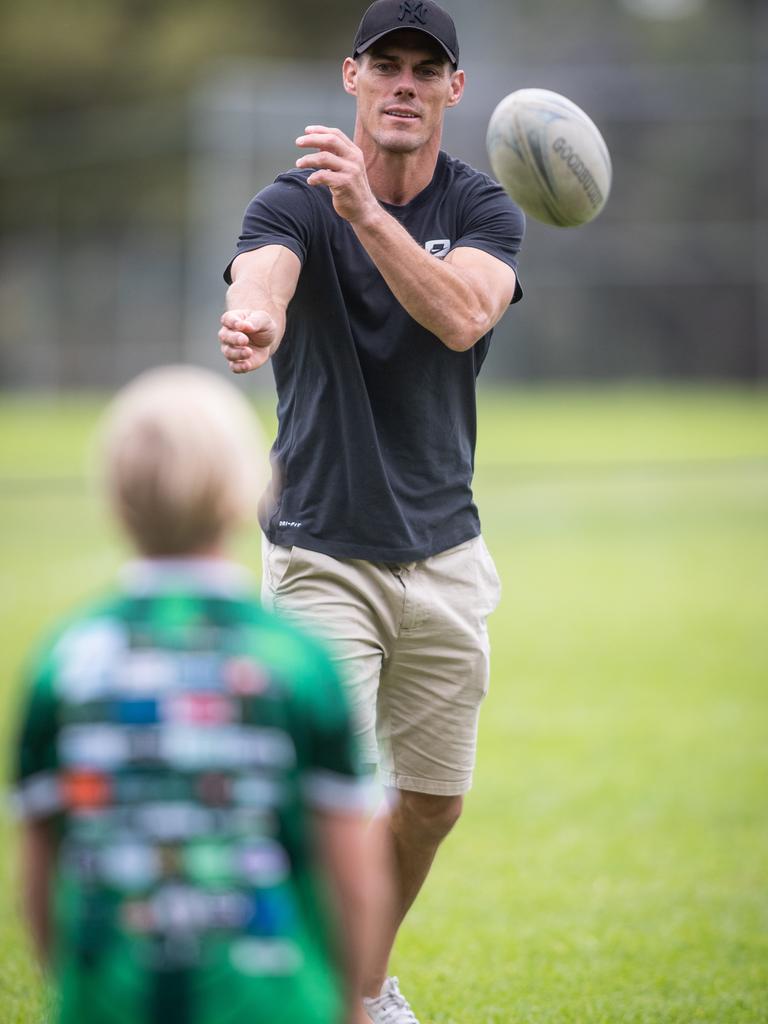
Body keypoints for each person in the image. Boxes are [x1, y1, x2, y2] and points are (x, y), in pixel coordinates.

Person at [218, 2, 525, 1021]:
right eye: (384, 65)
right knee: (329, 802)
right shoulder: (298, 200)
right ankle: (325, 997)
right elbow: (265, 267)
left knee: (432, 803)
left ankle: (359, 978)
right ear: (351, 78)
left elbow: (464, 314)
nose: (403, 84)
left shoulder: (486, 209)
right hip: (321, 552)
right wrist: (256, 313)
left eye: (422, 69)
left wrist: (369, 218)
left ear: (453, 90)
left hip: (444, 553)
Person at [11, 365, 376, 1024]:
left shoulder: (63, 661)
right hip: (272, 1001)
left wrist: (81, 988)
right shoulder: (296, 662)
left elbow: (38, 880)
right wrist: (350, 1004)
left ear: (114, 497)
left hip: (109, 1001)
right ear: (249, 493)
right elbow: (348, 874)